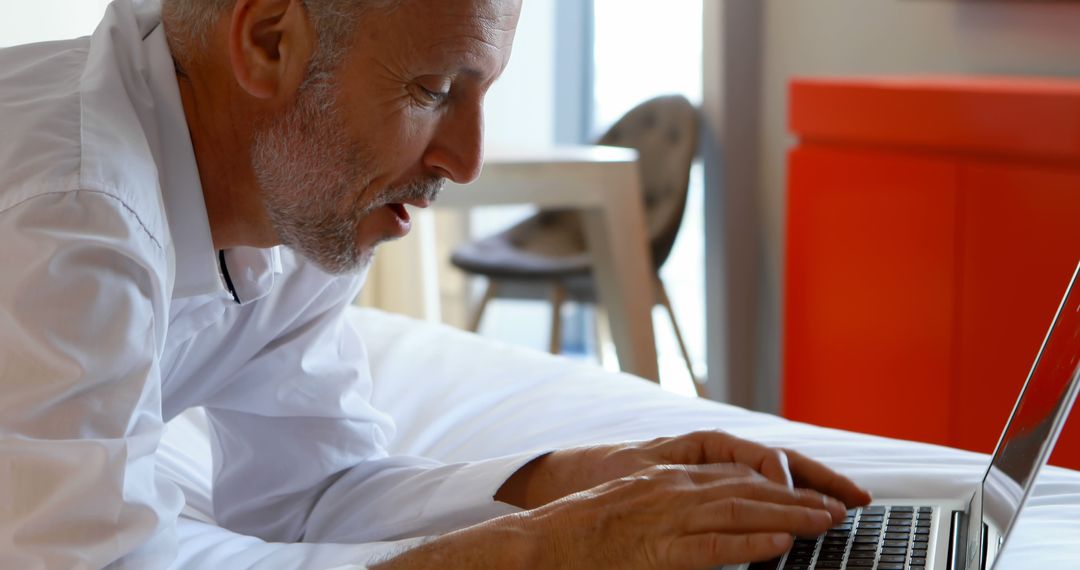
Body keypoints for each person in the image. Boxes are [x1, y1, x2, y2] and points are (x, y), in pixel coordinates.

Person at [0, 0, 872, 567]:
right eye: (435, 89)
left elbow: (308, 495)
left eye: (481, 91)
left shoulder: (294, 200)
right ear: (268, 42)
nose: (466, 160)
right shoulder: (72, 217)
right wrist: (543, 552)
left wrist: (578, 483)